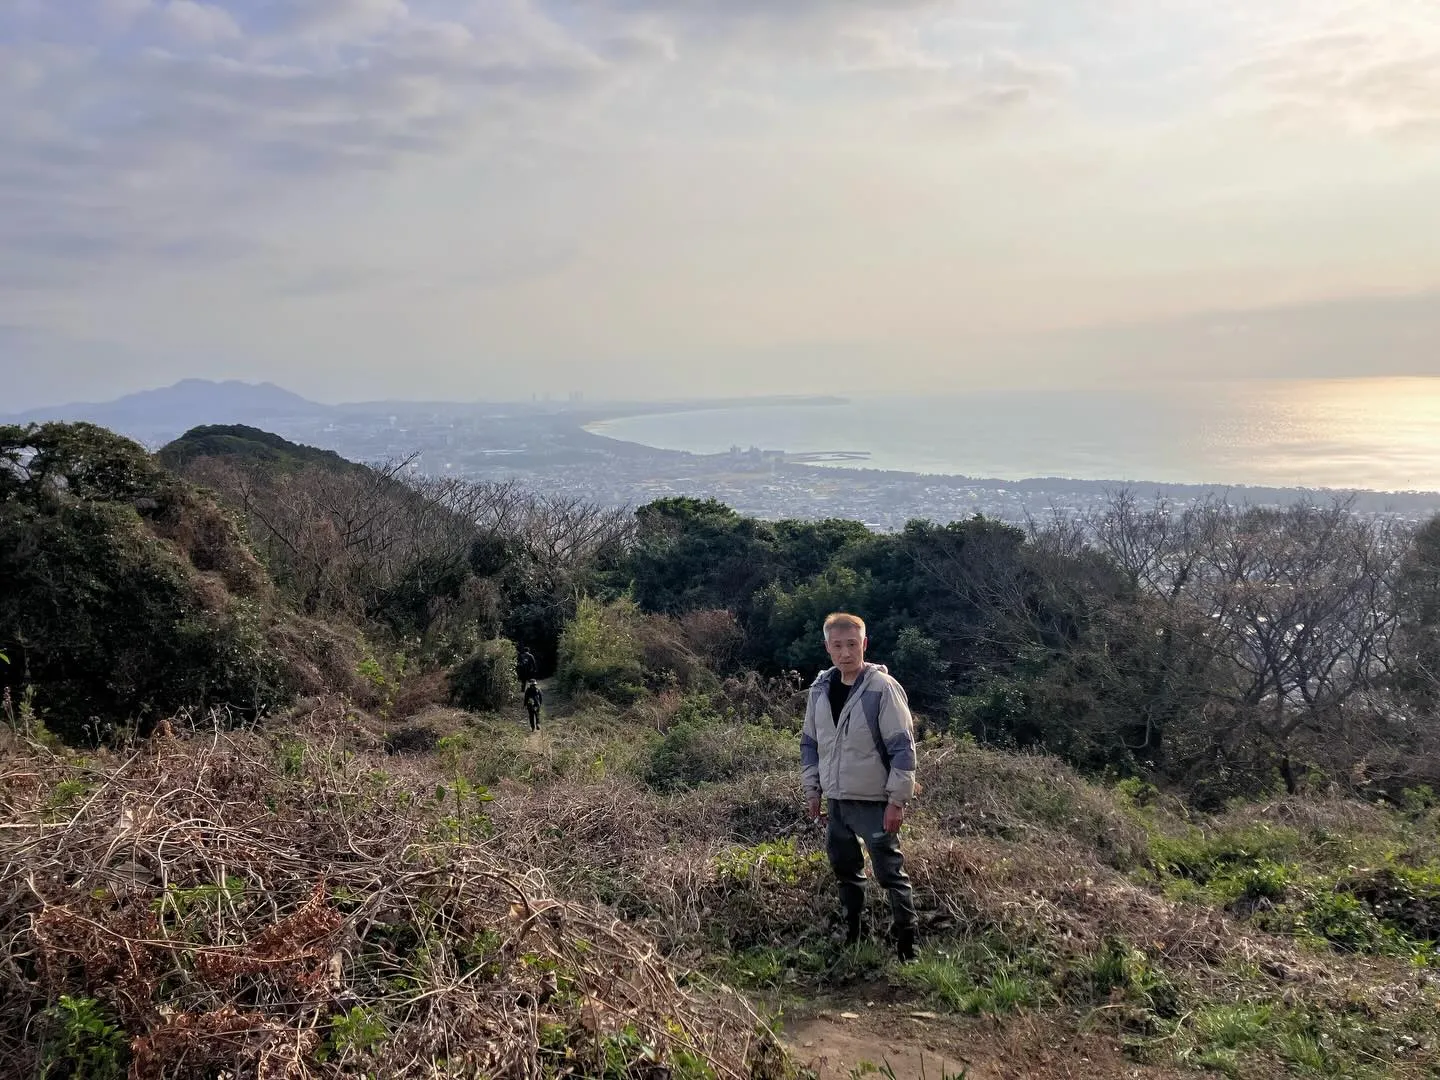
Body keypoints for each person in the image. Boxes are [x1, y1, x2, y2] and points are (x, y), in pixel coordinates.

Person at [801, 612, 919, 962]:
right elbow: (810, 744)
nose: (845, 653)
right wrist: (813, 790)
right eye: (837, 645)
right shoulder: (820, 690)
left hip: (874, 802)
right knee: (845, 872)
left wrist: (897, 801)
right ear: (827, 647)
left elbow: (903, 748)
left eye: (852, 644)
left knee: (890, 874)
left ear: (864, 644)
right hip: (836, 801)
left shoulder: (882, 688)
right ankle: (853, 936)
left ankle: (908, 946)